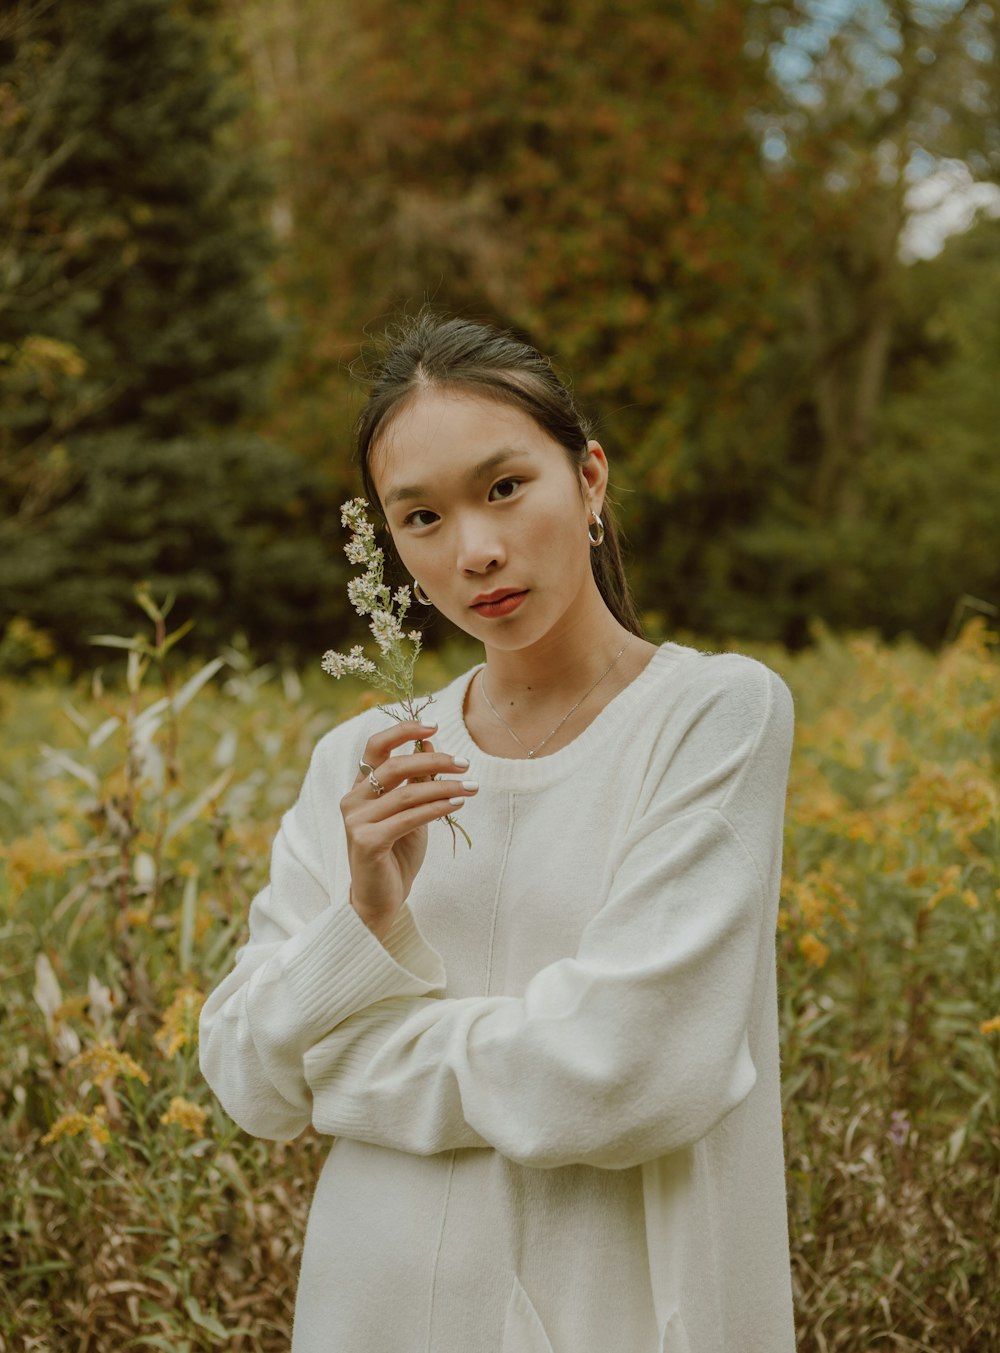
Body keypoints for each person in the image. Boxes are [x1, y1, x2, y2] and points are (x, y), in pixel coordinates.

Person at [199, 312, 797, 1353]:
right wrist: (366, 919)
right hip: (365, 1311)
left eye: (504, 488)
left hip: (608, 1312)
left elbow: (625, 1071)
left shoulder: (711, 715)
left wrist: (350, 1071)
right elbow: (248, 1076)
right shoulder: (362, 762)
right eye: (420, 517)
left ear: (591, 480)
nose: (474, 550)